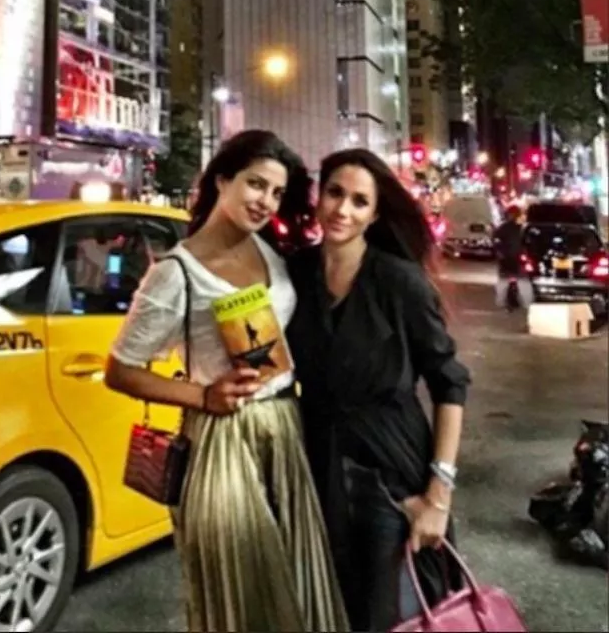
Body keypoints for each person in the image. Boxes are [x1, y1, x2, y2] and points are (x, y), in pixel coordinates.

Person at [105, 130, 349, 633]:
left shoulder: (272, 256)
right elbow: (120, 370)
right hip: (220, 439)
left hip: (283, 429)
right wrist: (203, 395)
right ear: (222, 179)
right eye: (255, 184)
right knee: (242, 593)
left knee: (299, 582)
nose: (265, 201)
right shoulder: (176, 273)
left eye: (277, 193)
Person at [287, 148, 471, 632]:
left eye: (359, 201)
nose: (342, 210)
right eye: (334, 193)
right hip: (318, 460)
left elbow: (450, 382)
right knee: (327, 608)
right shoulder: (295, 273)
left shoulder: (399, 282)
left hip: (394, 467)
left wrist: (439, 492)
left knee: (390, 614)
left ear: (374, 213)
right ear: (318, 194)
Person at [494, 204, 533, 311]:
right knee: (522, 282)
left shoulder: (515, 228)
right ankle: (526, 304)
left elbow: (496, 242)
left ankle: (501, 302)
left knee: (505, 282)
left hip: (512, 260)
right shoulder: (520, 228)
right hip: (511, 260)